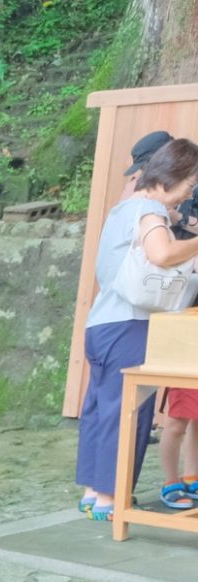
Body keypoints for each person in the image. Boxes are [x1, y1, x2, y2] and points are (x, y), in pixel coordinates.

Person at [77, 137, 198, 520]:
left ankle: (94, 491)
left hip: (102, 322)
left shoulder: (122, 208)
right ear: (168, 180)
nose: (186, 195)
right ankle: (115, 498)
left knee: (100, 408)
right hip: (131, 323)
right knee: (130, 412)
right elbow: (161, 253)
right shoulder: (149, 208)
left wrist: (178, 219)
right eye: (188, 186)